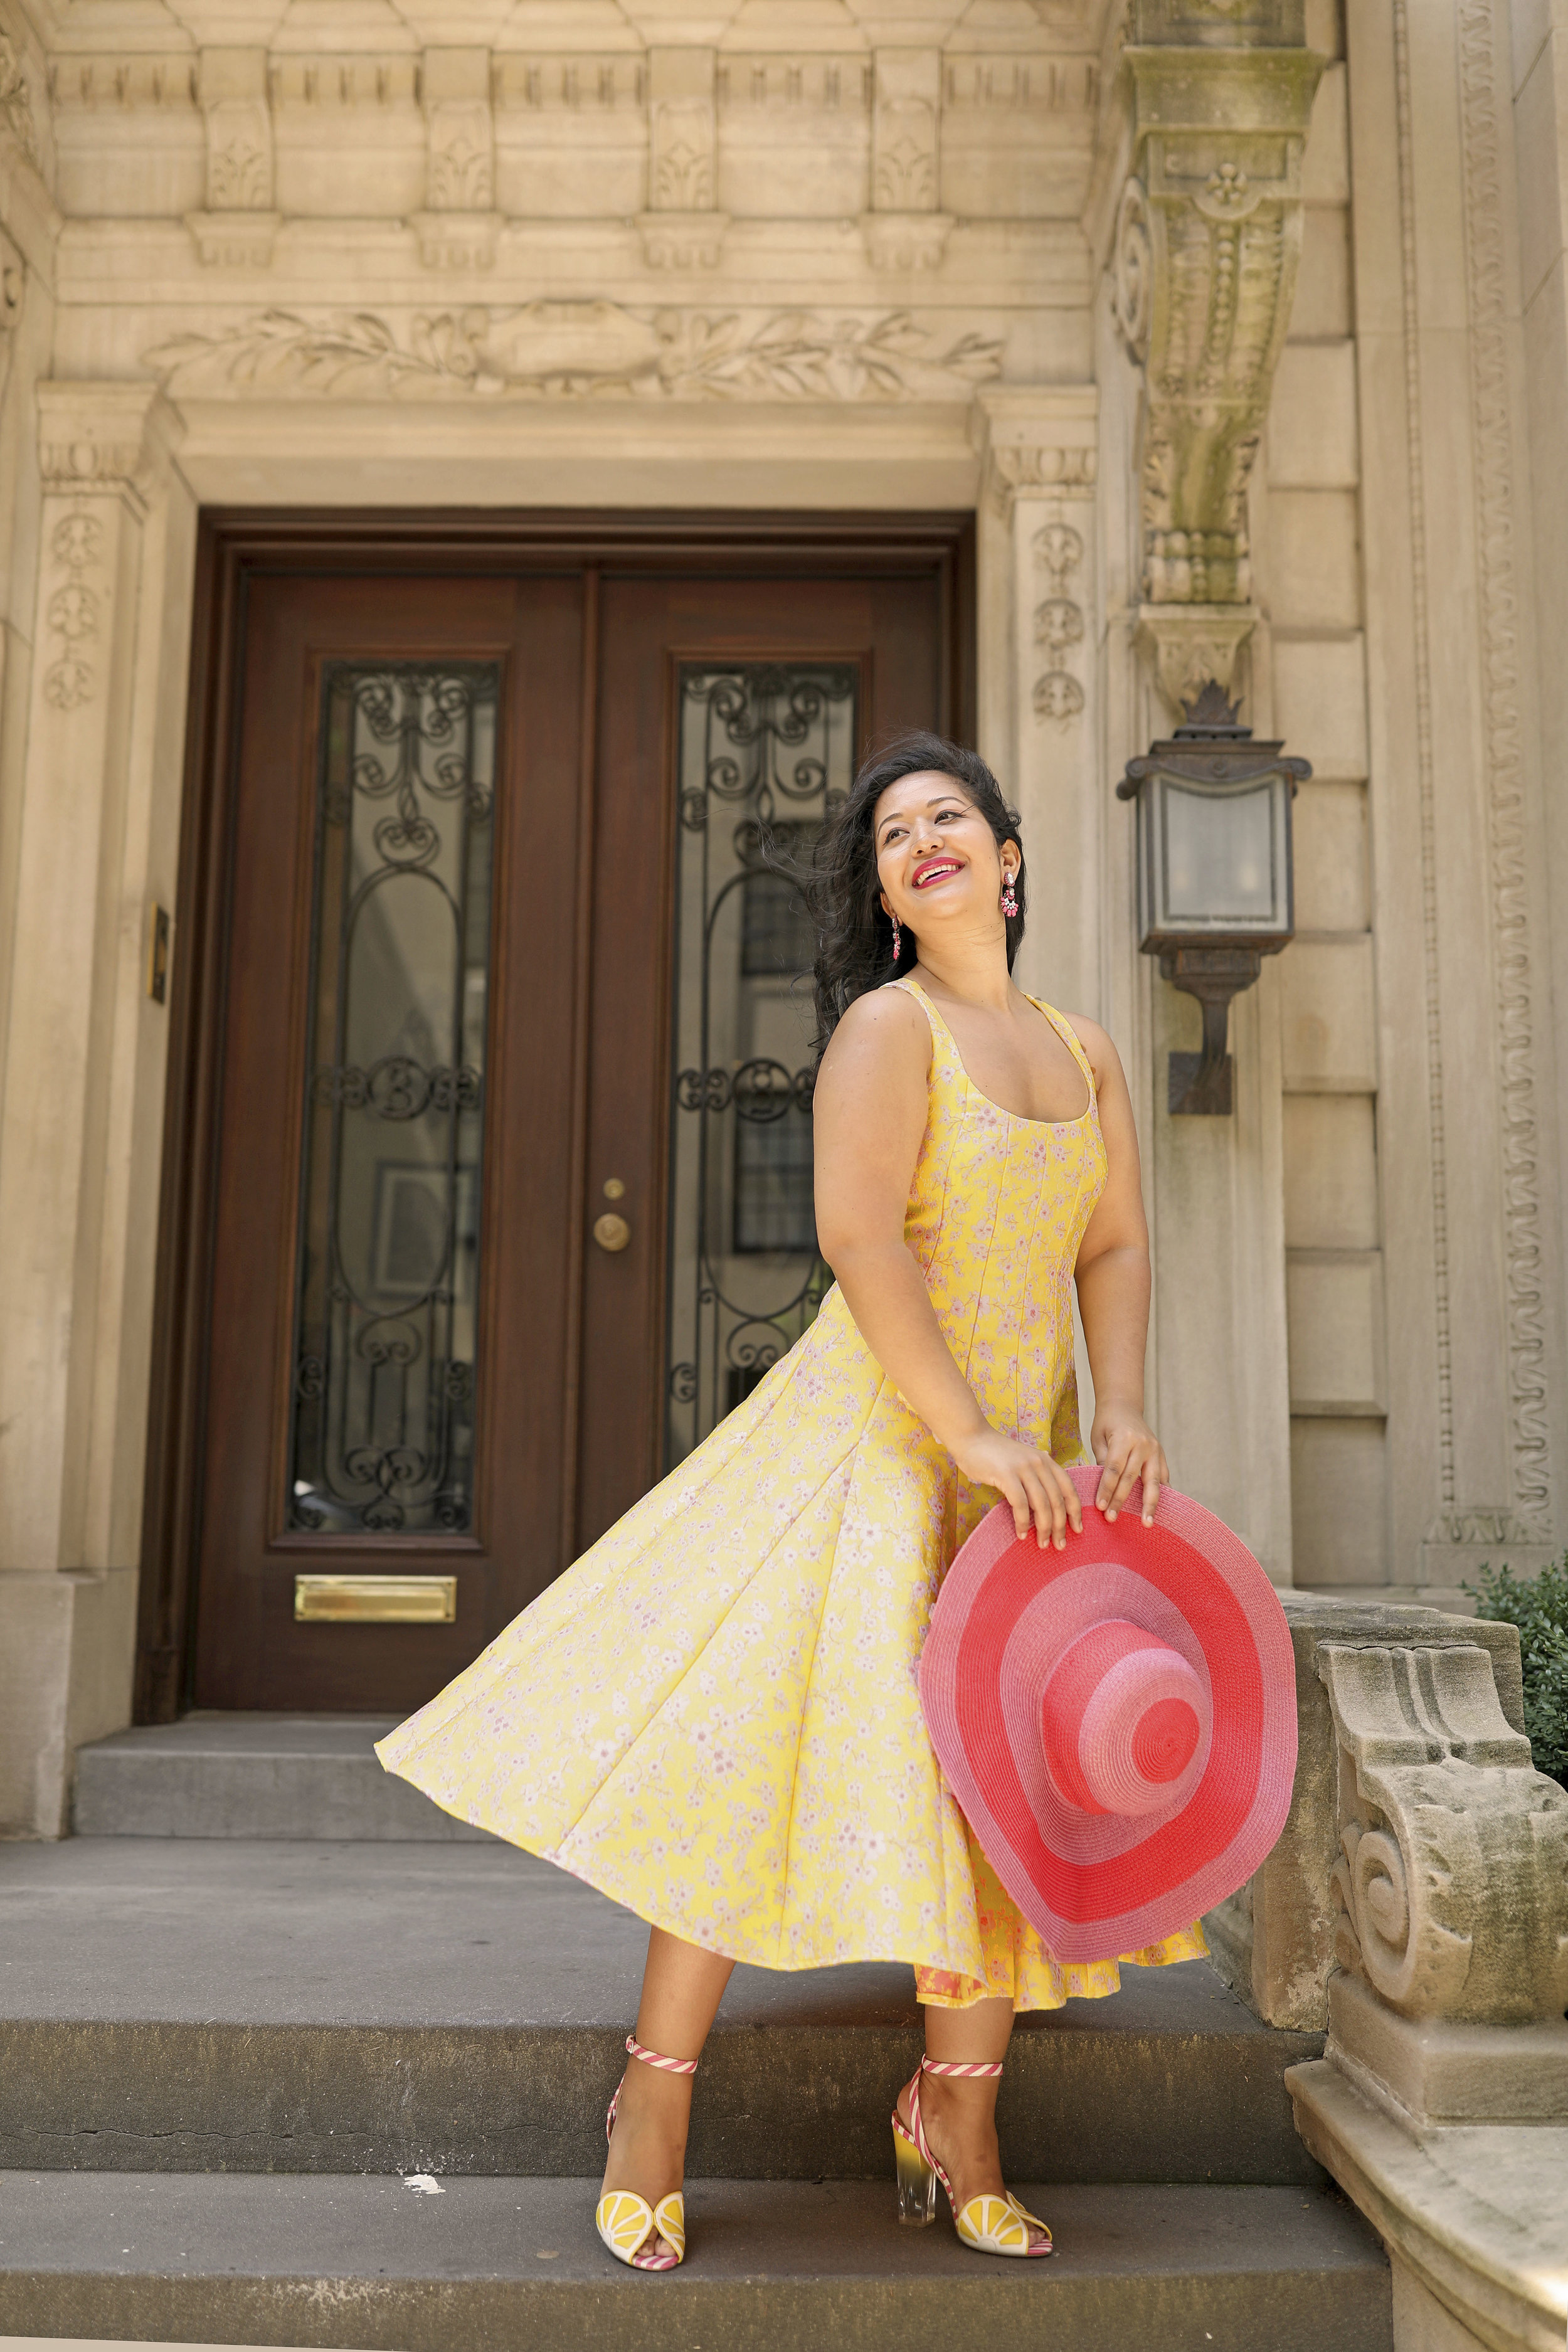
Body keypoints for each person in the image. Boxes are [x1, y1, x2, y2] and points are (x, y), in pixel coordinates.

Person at [376, 731, 1205, 2272]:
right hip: (878, 1449)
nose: (923, 840)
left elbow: (1109, 1248)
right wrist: (961, 1431)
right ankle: (651, 2107)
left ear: (1008, 860)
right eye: (894, 835)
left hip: (1017, 1471)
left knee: (994, 1794)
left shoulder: (1084, 1050)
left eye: (949, 816)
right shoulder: (889, 1030)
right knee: (747, 1763)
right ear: (888, 895)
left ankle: (953, 2115)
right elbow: (860, 1240)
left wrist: (1124, 1412)